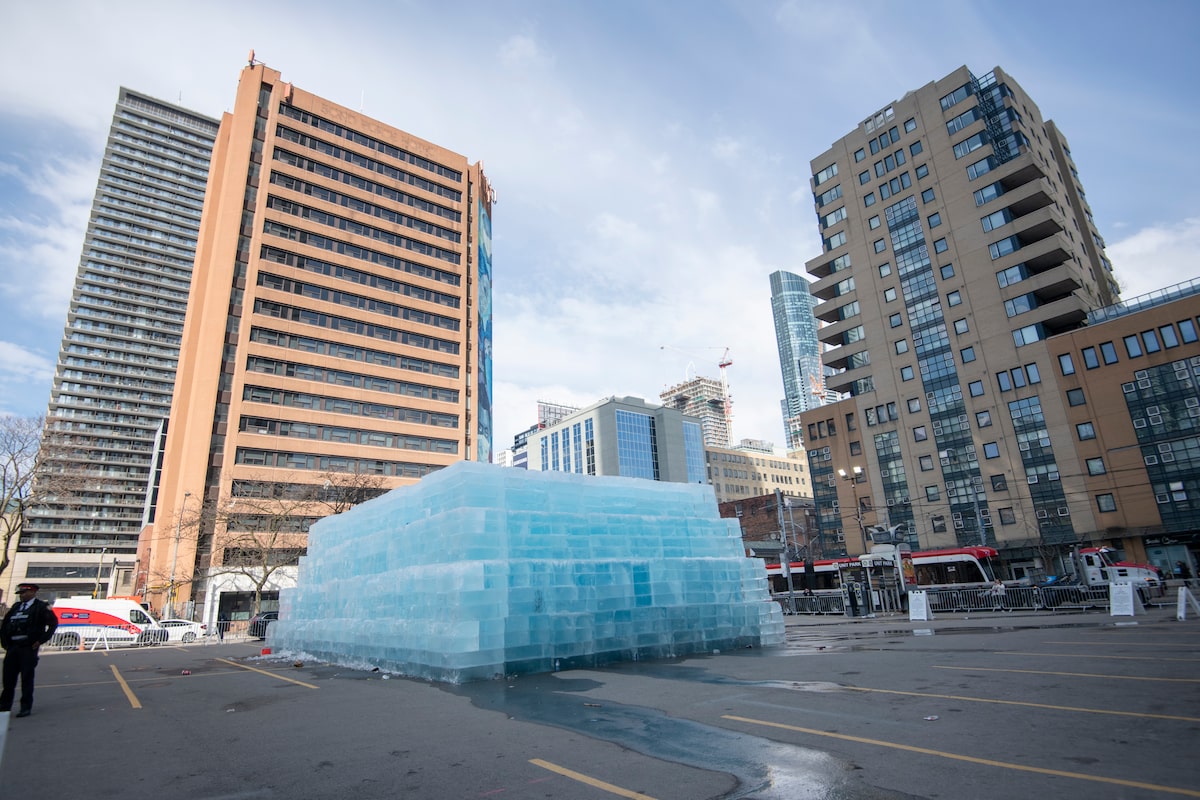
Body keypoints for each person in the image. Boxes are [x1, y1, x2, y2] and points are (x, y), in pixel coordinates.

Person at [1, 583, 59, 718]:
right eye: (20, 593)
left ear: (33, 592)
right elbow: (5, 625)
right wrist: (5, 642)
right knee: (8, 679)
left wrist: (40, 640)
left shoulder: (42, 606)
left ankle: (25, 706)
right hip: (13, 647)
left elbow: (53, 624)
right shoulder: (16, 607)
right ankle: (4, 706)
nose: (21, 596)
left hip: (28, 648)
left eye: (24, 593)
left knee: (26, 678)